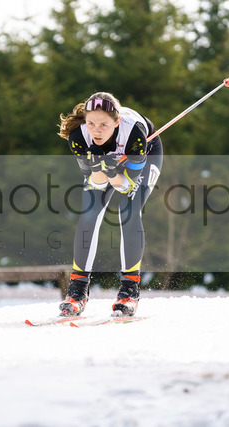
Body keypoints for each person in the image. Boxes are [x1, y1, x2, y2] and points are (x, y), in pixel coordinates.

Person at [57, 92, 163, 317]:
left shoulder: (134, 134)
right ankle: (77, 292)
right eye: (91, 123)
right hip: (109, 167)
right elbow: (95, 183)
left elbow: (127, 187)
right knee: (89, 213)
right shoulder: (79, 136)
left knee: (128, 211)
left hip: (145, 154)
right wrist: (97, 166)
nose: (96, 130)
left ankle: (129, 292)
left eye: (103, 125)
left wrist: (113, 172)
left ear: (116, 122)